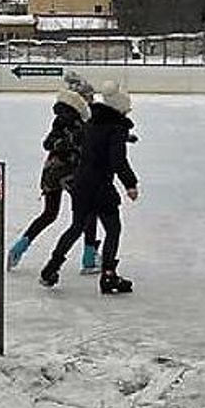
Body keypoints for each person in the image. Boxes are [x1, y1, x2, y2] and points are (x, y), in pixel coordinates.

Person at [39, 81, 139, 294]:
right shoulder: (116, 128)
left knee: (76, 227)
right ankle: (109, 276)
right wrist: (130, 183)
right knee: (113, 229)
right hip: (101, 186)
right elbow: (117, 160)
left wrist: (124, 138)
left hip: (81, 183)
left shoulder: (92, 121)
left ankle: (51, 268)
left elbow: (92, 142)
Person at [7, 71, 101, 274]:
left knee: (49, 213)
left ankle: (19, 247)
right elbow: (60, 144)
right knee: (88, 212)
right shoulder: (80, 123)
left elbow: (49, 142)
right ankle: (89, 256)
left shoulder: (60, 120)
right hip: (71, 173)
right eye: (90, 97)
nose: (92, 100)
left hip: (50, 171)